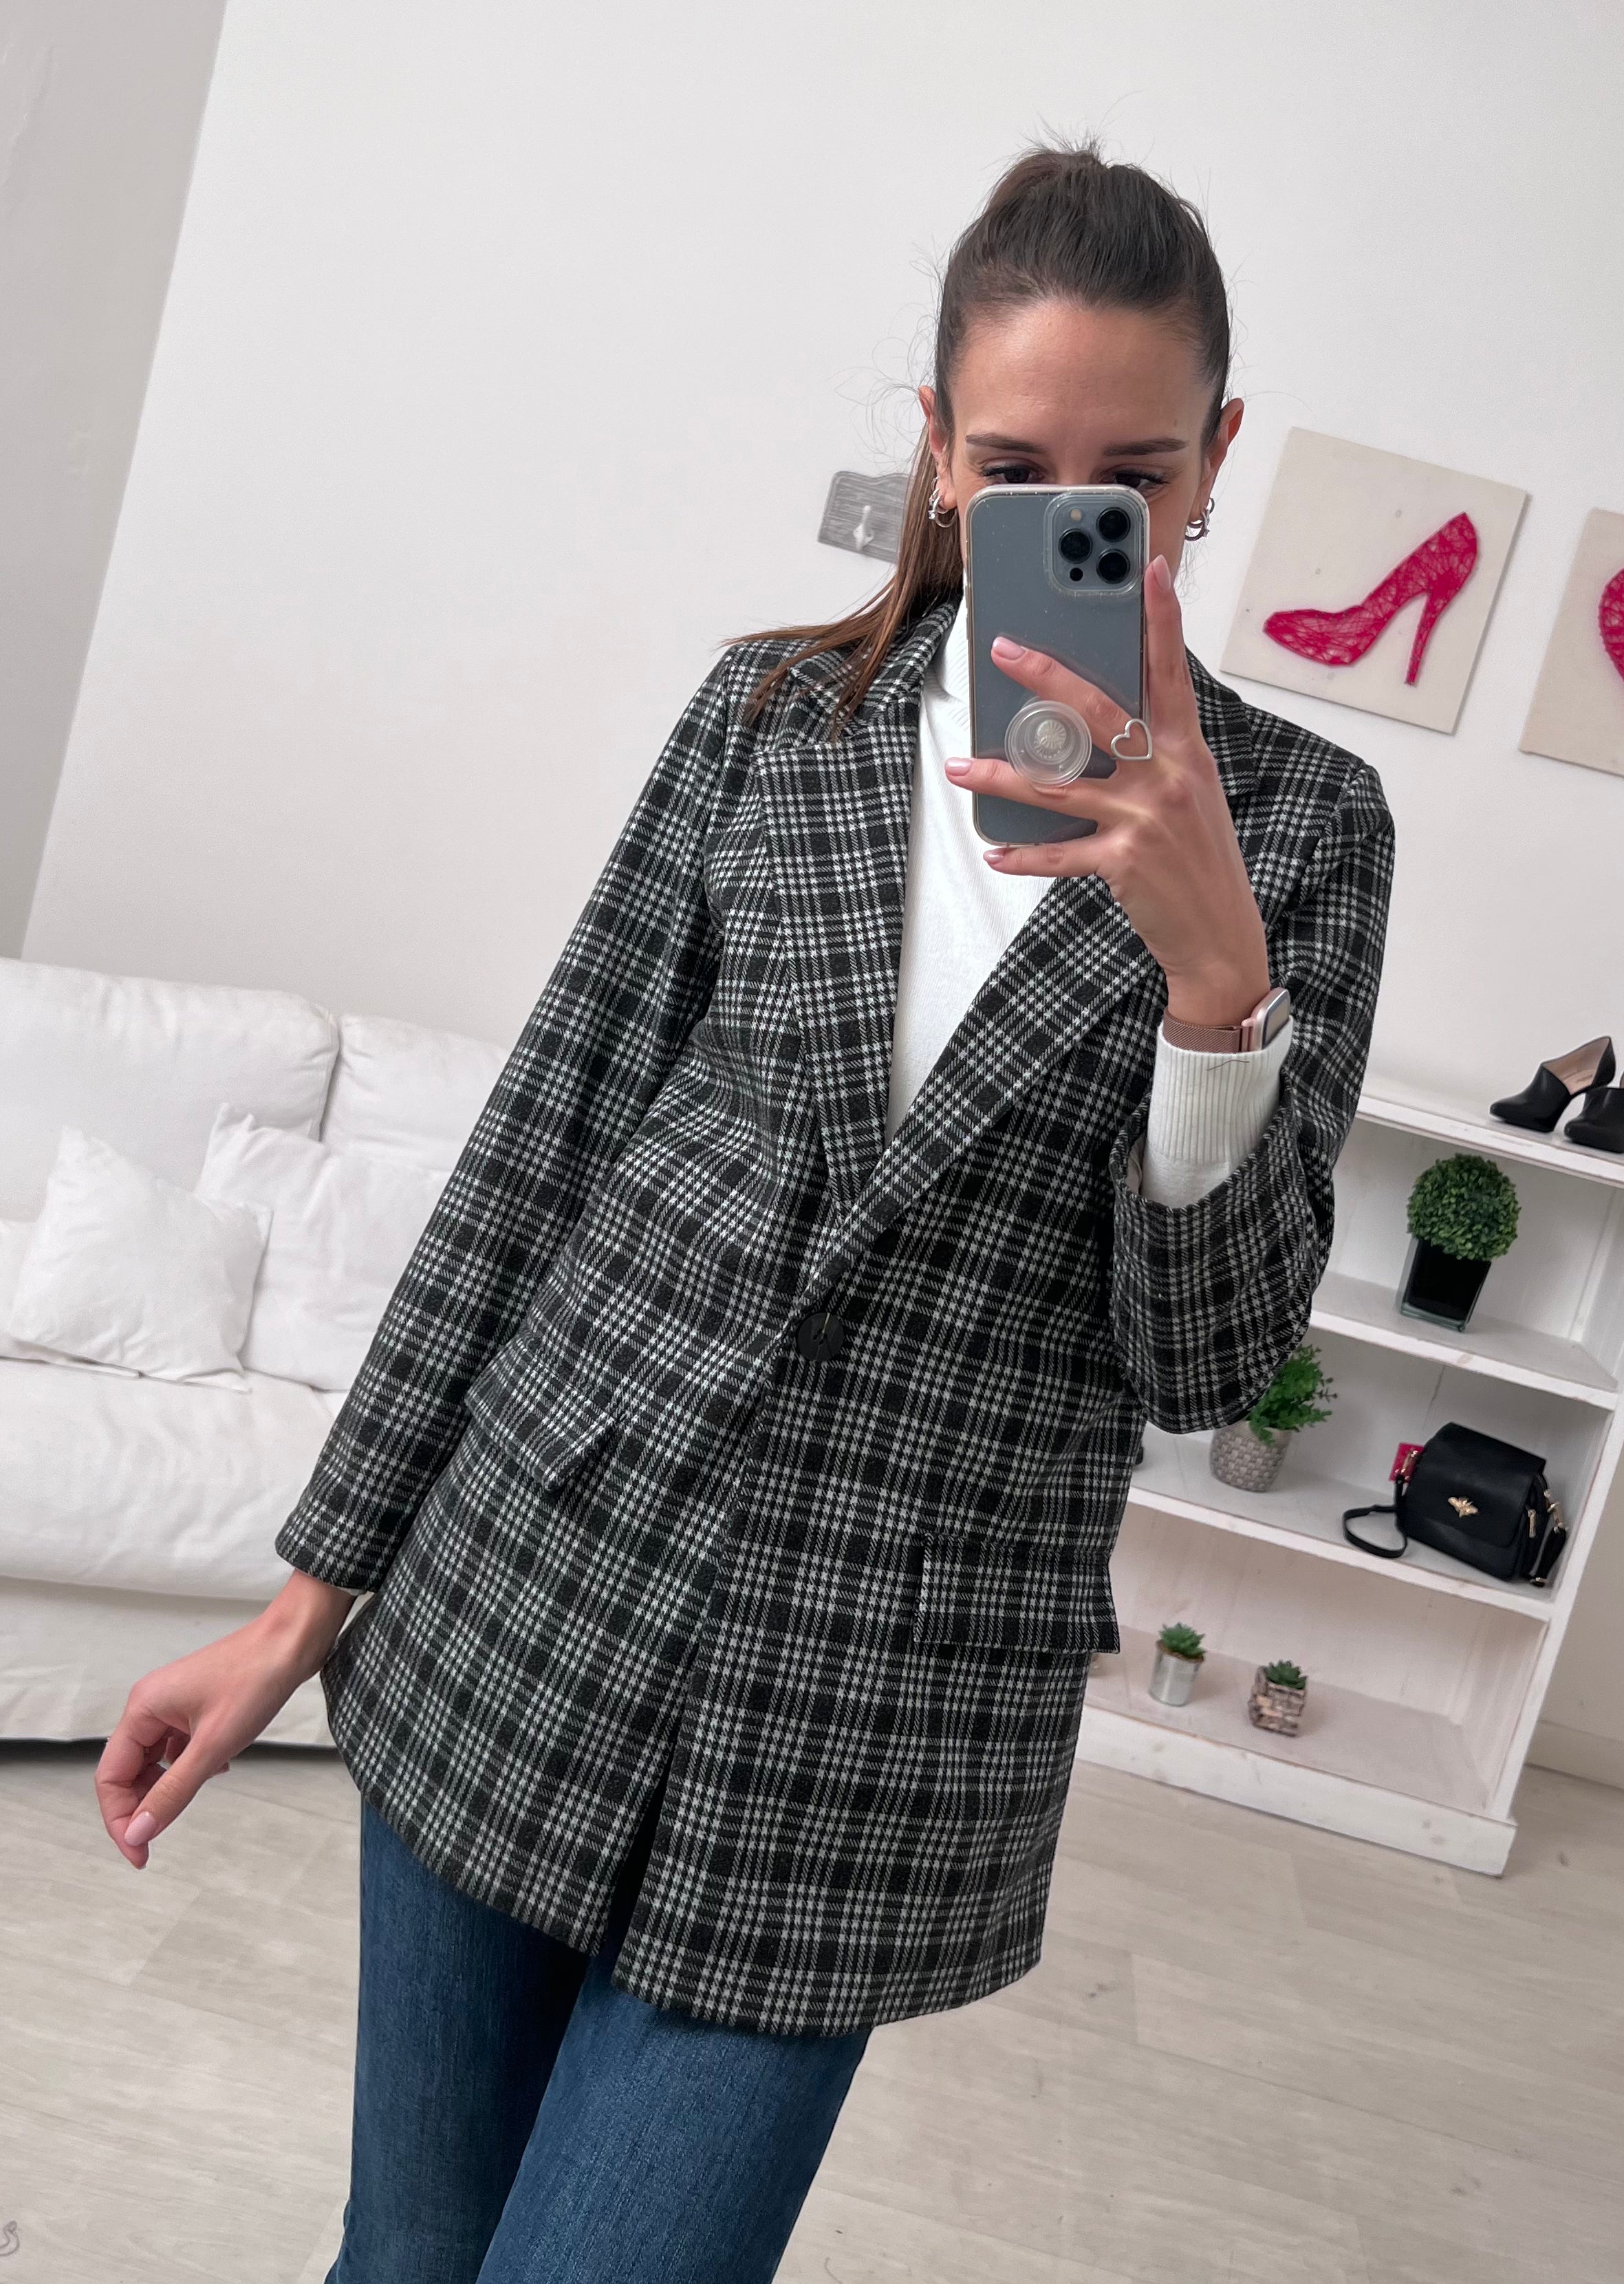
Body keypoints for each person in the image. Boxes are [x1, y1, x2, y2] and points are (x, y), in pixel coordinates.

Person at [96, 142, 1394, 2282]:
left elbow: (1203, 1361)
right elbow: (534, 1161)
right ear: (938, 447)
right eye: (1015, 470)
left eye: (1137, 481)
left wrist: (1216, 988)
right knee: (404, 2256)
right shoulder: (772, 720)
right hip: (534, 1581)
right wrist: (299, 1604)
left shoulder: (1310, 835)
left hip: (880, 1711)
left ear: (1218, 458)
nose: (1075, 523)